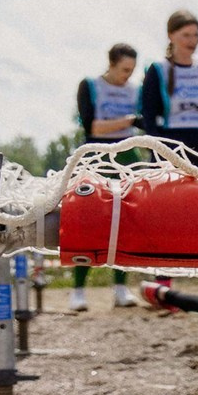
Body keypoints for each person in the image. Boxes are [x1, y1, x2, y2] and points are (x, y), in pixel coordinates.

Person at [69, 41, 142, 310]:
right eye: (124, 69)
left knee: (127, 221)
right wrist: (130, 120)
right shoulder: (90, 86)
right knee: (87, 221)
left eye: (132, 71)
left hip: (128, 157)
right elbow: (93, 127)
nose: (128, 76)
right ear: (111, 64)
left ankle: (121, 286)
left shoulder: (135, 90)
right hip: (97, 155)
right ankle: (77, 290)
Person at [139, 10, 198, 163]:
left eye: (195, 35)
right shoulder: (159, 69)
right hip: (171, 142)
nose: (192, 41)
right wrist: (157, 148)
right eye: (186, 35)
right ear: (171, 35)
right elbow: (148, 114)